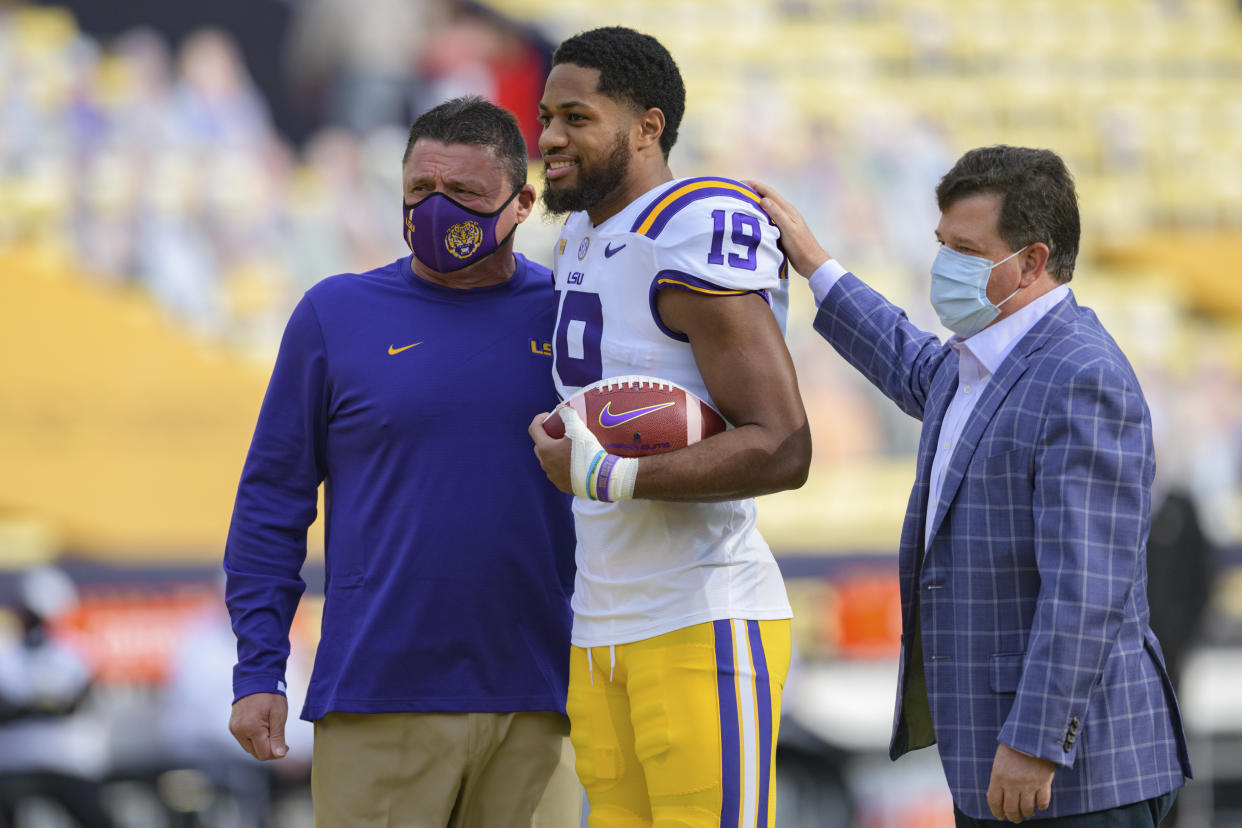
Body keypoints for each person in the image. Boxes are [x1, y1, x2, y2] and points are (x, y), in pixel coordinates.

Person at [749, 145, 1192, 826]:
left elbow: (1089, 586)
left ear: (1033, 262)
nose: (944, 265)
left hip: (1076, 773)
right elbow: (906, 357)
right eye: (940, 244)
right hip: (991, 759)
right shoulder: (976, 361)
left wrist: (1037, 742)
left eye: (965, 248)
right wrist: (815, 264)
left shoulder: (1082, 376)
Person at [224, 96, 579, 828]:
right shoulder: (335, 314)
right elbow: (271, 503)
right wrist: (259, 666)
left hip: (543, 702)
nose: (437, 211)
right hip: (377, 697)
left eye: (466, 195)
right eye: (420, 192)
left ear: (521, 204)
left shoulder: (573, 315)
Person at [526, 27, 810, 828]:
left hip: (700, 618)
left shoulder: (691, 226)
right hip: (600, 625)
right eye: (546, 116)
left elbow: (785, 445)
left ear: (647, 128)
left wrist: (614, 476)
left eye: (576, 117)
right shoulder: (580, 235)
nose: (549, 137)